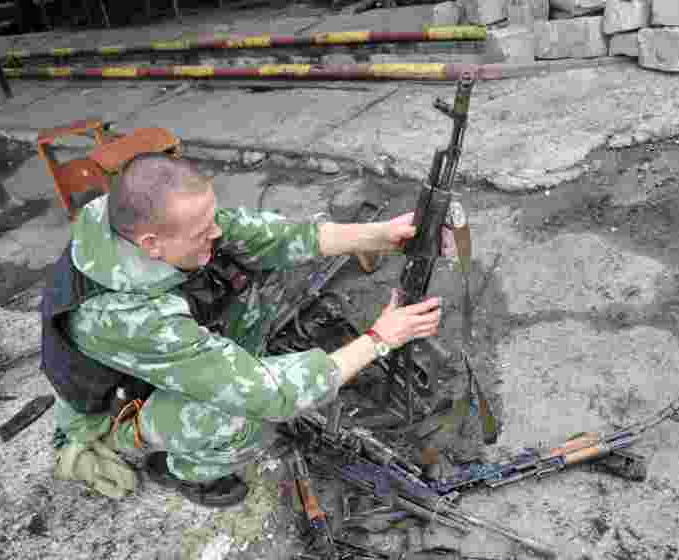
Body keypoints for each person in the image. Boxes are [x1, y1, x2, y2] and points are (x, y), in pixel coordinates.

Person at [40, 152, 454, 508]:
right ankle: (184, 470)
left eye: (211, 219)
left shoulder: (149, 222)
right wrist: (380, 340)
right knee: (241, 419)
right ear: (151, 244)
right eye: (203, 232)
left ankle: (230, 367)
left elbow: (273, 237)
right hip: (124, 408)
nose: (216, 232)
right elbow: (270, 397)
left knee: (262, 274)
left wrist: (377, 235)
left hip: (167, 358)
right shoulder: (123, 315)